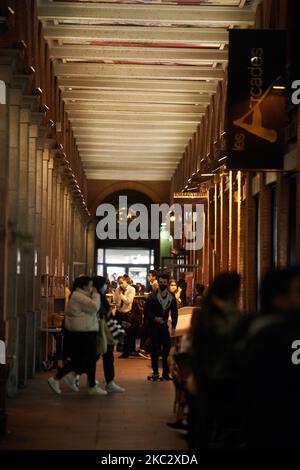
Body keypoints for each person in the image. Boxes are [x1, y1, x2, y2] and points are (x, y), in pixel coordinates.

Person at [189, 271, 241, 449]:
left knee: (203, 426)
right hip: (218, 379)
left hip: (204, 378)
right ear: (232, 291)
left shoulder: (205, 311)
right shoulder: (224, 316)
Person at [48, 276, 107, 396]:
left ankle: (91, 385)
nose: (92, 288)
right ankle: (57, 378)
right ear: (84, 286)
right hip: (82, 332)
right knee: (81, 360)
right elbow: (94, 307)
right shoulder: (78, 296)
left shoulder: (80, 296)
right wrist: (96, 294)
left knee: (89, 359)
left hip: (86, 331)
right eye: (90, 285)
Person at [92, 276, 125, 393]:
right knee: (96, 356)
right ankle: (75, 374)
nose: (106, 286)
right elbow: (103, 314)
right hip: (101, 331)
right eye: (104, 284)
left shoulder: (99, 297)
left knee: (103, 355)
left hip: (105, 331)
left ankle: (106, 382)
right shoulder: (96, 297)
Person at [144, 272, 178, 381]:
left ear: (167, 283)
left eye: (164, 282)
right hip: (154, 326)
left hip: (164, 326)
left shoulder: (171, 297)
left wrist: (173, 326)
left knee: (167, 348)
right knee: (154, 349)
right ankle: (155, 372)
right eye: (160, 282)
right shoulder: (152, 296)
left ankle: (166, 373)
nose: (162, 284)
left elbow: (174, 313)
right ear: (158, 283)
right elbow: (147, 311)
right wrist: (154, 318)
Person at [138, 270, 159, 359]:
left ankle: (145, 349)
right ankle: (145, 350)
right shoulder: (153, 286)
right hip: (152, 312)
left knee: (151, 332)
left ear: (154, 276)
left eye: (150, 275)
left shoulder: (155, 285)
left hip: (153, 312)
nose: (148, 277)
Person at [113, 275, 136, 358]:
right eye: (119, 283)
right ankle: (120, 348)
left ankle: (126, 352)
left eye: (122, 283)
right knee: (118, 332)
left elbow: (128, 301)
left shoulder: (131, 289)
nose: (120, 285)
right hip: (119, 312)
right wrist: (116, 295)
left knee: (127, 333)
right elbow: (115, 300)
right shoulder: (117, 289)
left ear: (126, 281)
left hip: (126, 313)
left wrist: (121, 295)